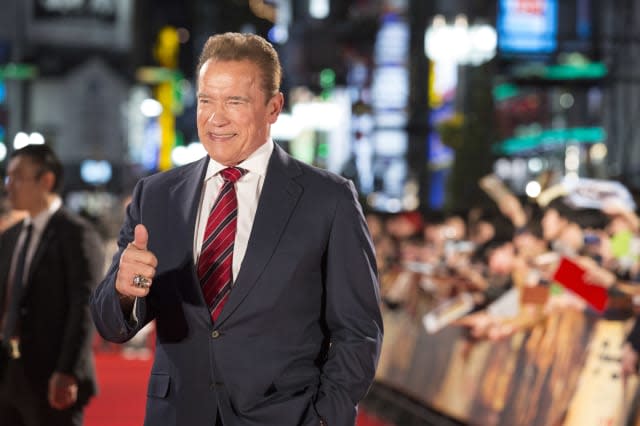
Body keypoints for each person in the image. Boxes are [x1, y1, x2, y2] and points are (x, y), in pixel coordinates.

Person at [90, 32, 383, 426]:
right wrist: (124, 293)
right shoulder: (157, 196)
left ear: (274, 107)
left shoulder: (328, 198)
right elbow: (110, 322)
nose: (215, 118)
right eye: (206, 100)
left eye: (235, 102)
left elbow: (357, 331)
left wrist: (325, 418)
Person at [0, 144, 104, 425]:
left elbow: (84, 307)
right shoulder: (11, 236)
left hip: (52, 378)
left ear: (45, 180)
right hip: (8, 374)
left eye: (16, 177)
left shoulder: (78, 235)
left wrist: (68, 370)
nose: (8, 186)